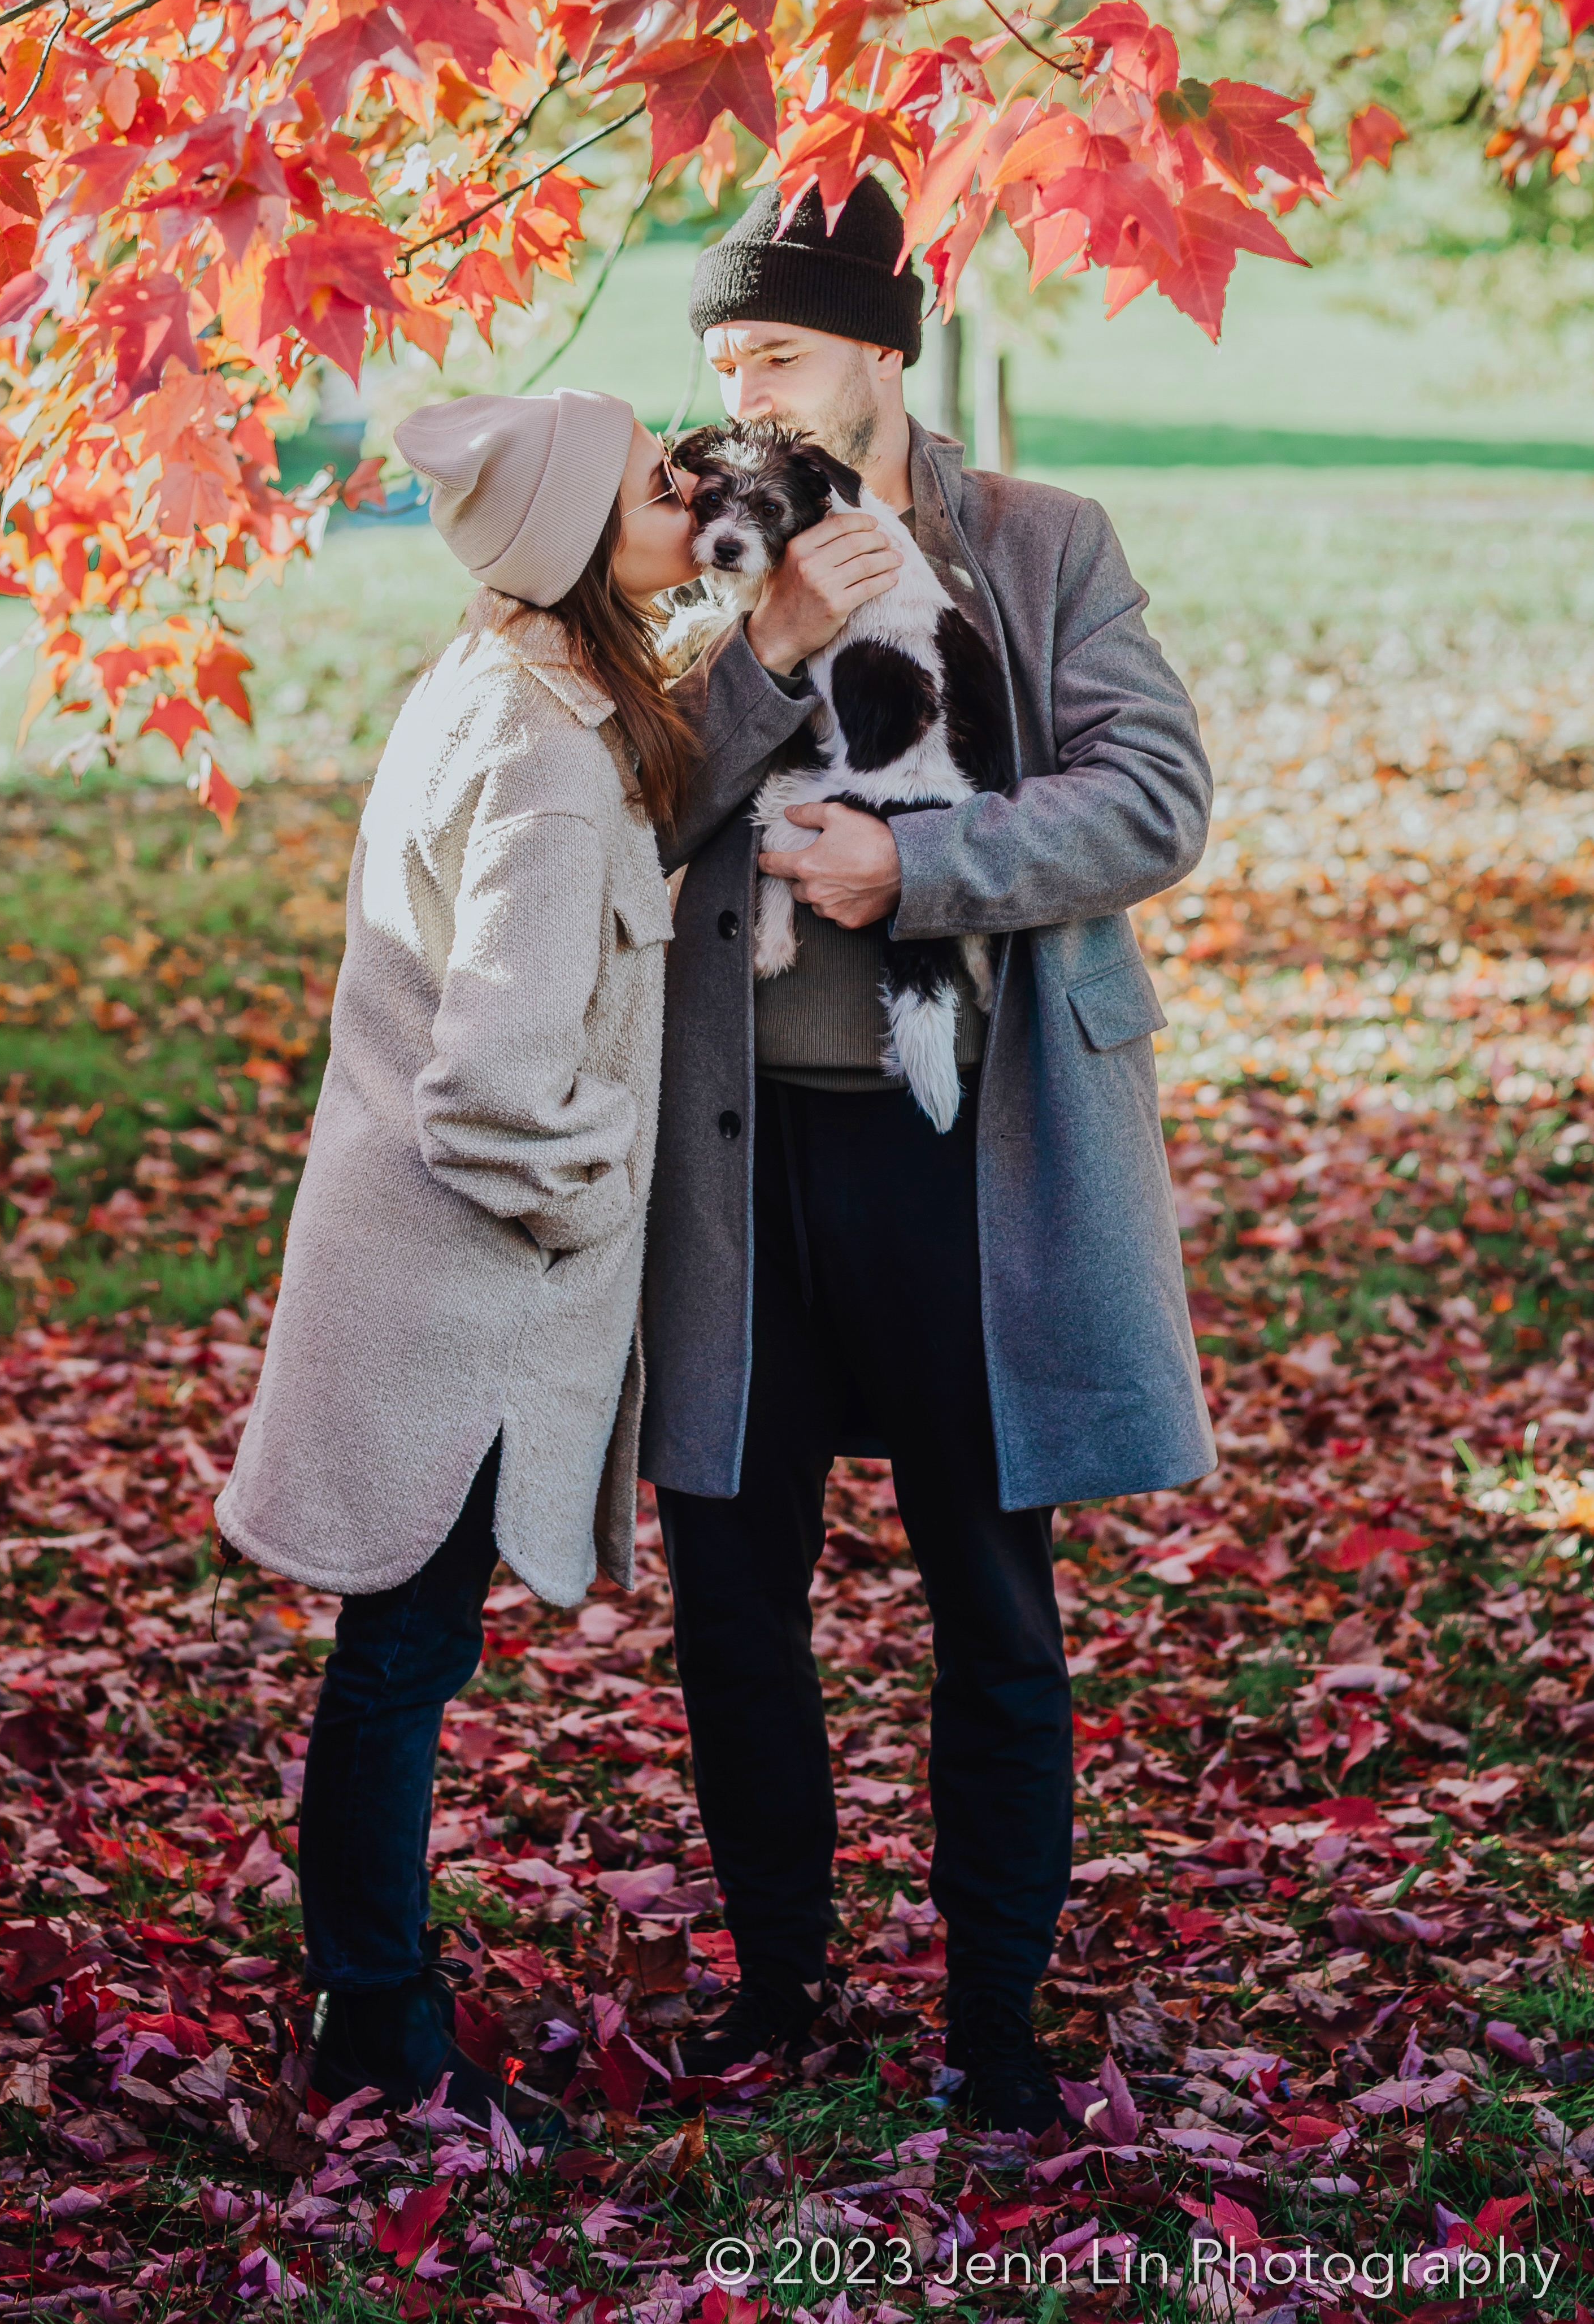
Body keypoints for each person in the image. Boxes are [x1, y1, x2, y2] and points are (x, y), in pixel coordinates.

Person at [641, 176, 1219, 2132]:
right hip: (739, 1169)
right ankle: (777, 1982)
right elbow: (643, 807)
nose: (750, 394)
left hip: (965, 1155)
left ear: (879, 353)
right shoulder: (714, 558)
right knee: (732, 1593)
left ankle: (996, 2019)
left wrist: (919, 869)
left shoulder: (1041, 545)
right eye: (723, 364)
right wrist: (767, 651)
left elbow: (1149, 797)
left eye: (779, 354)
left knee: (988, 1589)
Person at [215, 388, 705, 2126]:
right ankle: (379, 2030)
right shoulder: (548, 761)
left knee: (398, 1652)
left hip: (412, 1284)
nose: (690, 491)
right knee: (402, 1661)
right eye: (660, 482)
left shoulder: (504, 682)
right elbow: (493, 1087)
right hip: (457, 1304)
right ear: (578, 540)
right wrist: (593, 1214)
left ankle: (376, 1999)